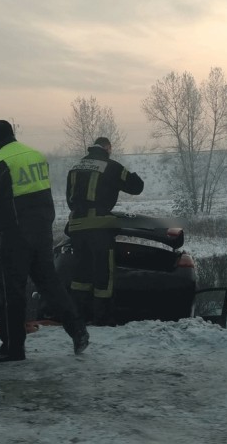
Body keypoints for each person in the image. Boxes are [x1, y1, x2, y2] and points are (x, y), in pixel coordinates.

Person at [0, 119, 89, 362]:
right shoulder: (35, 156)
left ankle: (12, 349)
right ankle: (77, 329)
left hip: (14, 235)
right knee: (50, 285)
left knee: (11, 292)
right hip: (42, 231)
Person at [66, 137, 144, 325]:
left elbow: (70, 199)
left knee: (81, 275)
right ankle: (103, 319)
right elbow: (136, 187)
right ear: (108, 148)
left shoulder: (76, 167)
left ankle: (80, 317)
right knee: (104, 274)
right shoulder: (111, 166)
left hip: (77, 226)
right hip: (99, 228)